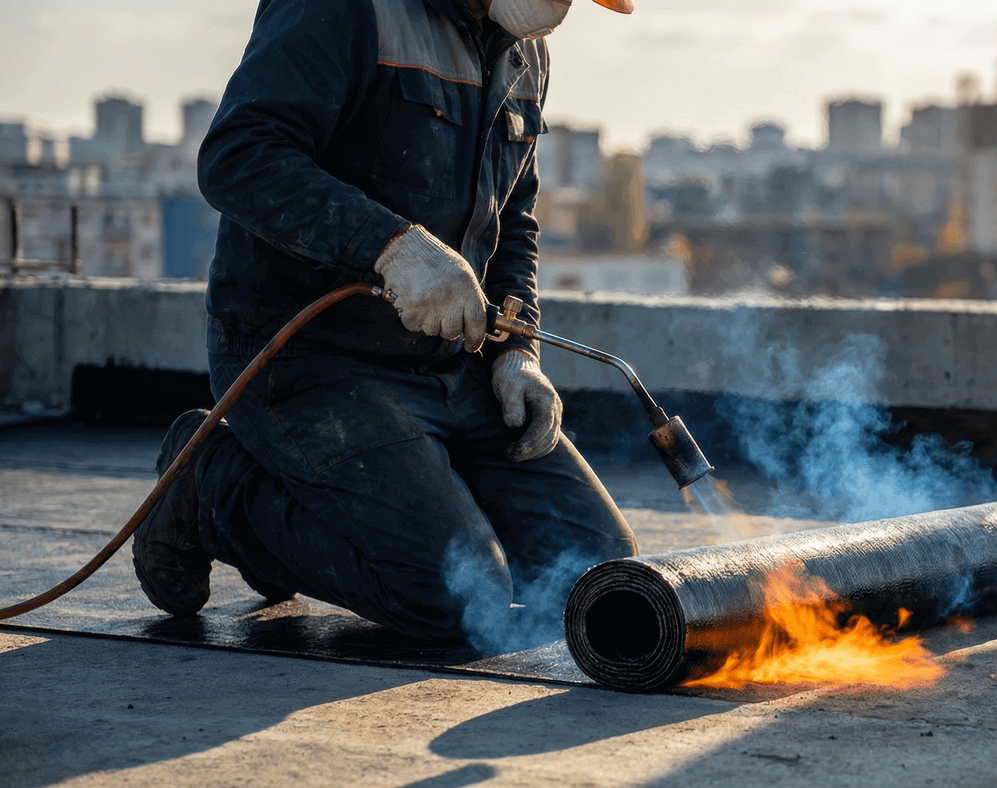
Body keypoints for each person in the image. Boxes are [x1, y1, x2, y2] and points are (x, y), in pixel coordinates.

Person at [130, 0, 641, 646]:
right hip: (307, 359)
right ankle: (215, 488)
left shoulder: (521, 50)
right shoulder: (347, 8)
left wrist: (518, 350)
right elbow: (238, 155)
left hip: (451, 366)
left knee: (606, 573)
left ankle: (347, 514)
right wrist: (390, 246)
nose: (562, 8)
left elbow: (515, 218)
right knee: (459, 597)